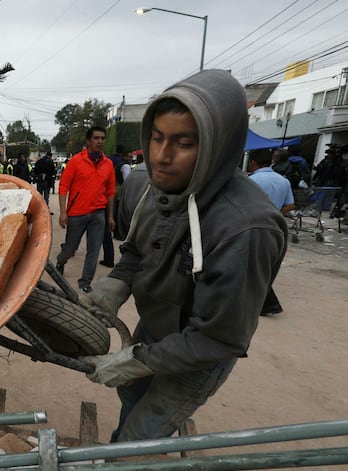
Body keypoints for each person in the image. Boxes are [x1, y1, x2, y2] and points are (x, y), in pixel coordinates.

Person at [80, 70, 288, 442]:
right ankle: (120, 449)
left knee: (141, 434)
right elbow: (136, 251)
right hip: (155, 327)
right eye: (157, 138)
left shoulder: (245, 228)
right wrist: (114, 287)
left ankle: (126, 458)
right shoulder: (157, 187)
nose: (162, 156)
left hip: (200, 353)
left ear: (218, 145)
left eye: (184, 143)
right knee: (131, 397)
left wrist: (137, 360)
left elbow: (219, 339)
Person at [56, 126, 115, 292]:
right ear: (88, 141)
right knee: (70, 248)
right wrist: (63, 212)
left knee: (94, 251)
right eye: (96, 138)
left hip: (98, 214)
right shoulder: (76, 161)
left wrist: (110, 216)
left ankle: (85, 283)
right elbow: (63, 186)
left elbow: (110, 191)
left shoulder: (108, 164)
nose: (100, 141)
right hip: (77, 214)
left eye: (102, 138)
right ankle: (61, 260)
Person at [247, 148, 294, 316]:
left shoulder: (250, 181)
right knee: (265, 266)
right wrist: (275, 214)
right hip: (277, 229)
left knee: (252, 266)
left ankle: (269, 304)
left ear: (253, 162)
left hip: (254, 227)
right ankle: (267, 303)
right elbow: (290, 205)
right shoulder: (284, 181)